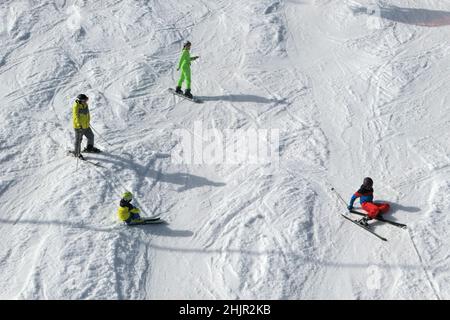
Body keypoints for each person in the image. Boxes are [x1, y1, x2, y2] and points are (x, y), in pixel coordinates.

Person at [72, 94, 100, 159]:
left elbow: (87, 114)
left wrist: (87, 122)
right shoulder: (76, 107)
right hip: (79, 127)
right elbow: (75, 117)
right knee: (78, 140)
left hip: (86, 125)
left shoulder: (85, 104)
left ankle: (89, 148)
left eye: (86, 100)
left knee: (91, 136)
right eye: (84, 100)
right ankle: (77, 153)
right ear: (80, 101)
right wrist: (79, 125)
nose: (86, 101)